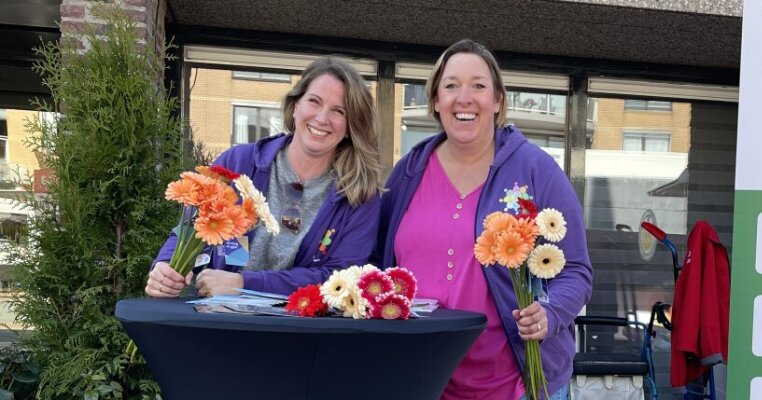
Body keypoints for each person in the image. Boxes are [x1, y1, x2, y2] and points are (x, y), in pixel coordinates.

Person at [373, 39, 592, 400]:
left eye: (478, 85)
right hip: (422, 381)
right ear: (435, 100)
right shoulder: (407, 173)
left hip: (517, 385)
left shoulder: (536, 170)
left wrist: (549, 314)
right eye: (451, 85)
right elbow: (377, 267)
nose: (465, 97)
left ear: (498, 101)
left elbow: (576, 270)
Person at [145, 56, 383, 297]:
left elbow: (338, 277)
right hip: (220, 322)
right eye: (314, 101)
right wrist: (165, 267)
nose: (322, 118)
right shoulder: (236, 164)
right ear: (295, 105)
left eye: (338, 111)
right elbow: (191, 228)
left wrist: (244, 283)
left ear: (350, 126)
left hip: (302, 330)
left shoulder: (359, 196)